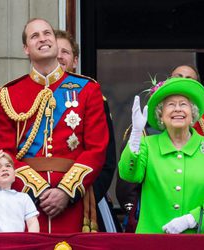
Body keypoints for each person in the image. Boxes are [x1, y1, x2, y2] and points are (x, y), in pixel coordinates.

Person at [0, 18, 109, 233]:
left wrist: (65, 191)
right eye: (34, 36)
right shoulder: (9, 94)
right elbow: (3, 152)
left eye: (47, 34)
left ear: (55, 43)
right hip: (25, 200)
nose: (43, 39)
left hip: (73, 199)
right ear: (26, 48)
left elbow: (97, 150)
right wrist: (38, 190)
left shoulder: (88, 89)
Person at [116, 64, 204, 232]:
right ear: (161, 115)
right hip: (152, 239)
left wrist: (192, 219)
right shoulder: (147, 145)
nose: (178, 109)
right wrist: (136, 136)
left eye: (183, 104)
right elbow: (128, 174)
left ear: (193, 112)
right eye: (171, 105)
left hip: (199, 240)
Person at [55, 29, 122, 232]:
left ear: (75, 60)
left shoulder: (92, 97)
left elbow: (106, 160)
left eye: (65, 52)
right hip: (39, 199)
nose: (58, 56)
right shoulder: (27, 98)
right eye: (54, 50)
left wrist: (80, 194)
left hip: (85, 197)